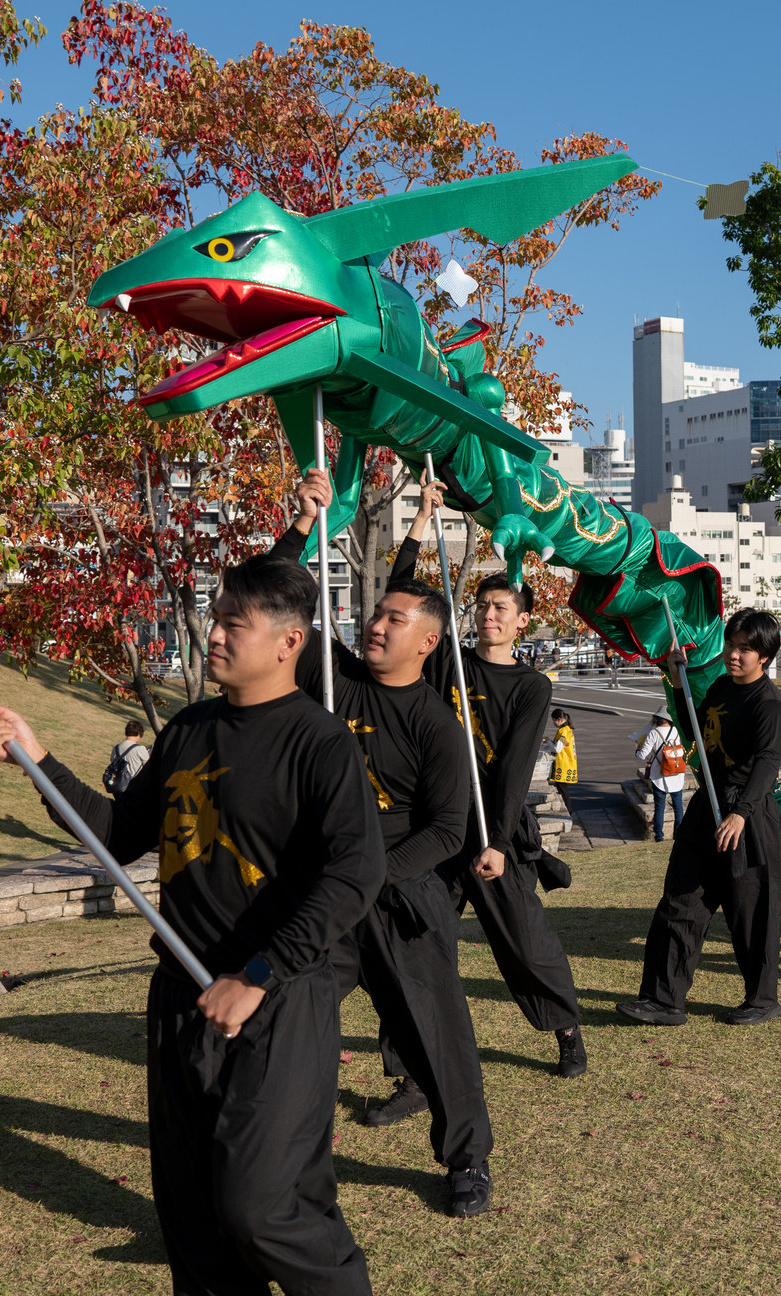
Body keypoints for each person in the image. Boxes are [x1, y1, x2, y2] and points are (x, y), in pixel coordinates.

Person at [0, 553, 387, 1293]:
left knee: (263, 1207)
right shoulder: (188, 730)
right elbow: (117, 833)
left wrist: (257, 975)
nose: (214, 635)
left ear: (289, 641)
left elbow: (355, 874)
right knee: (193, 1219)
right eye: (214, 619)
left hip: (277, 1000)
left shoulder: (320, 743)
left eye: (234, 623)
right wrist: (39, 760)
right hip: (181, 997)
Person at [293, 474, 585, 1087]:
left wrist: (498, 843)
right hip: (431, 827)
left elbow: (513, 770)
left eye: (502, 609)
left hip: (489, 829)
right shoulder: (445, 659)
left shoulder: (531, 687)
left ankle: (565, 1028)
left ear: (523, 621)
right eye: (483, 606)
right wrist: (422, 520)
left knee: (524, 941)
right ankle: (408, 1071)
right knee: (416, 948)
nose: (489, 615)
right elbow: (402, 597)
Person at [271, 512, 496, 1220]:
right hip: (322, 895)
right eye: (376, 614)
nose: (376, 624)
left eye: (395, 619)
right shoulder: (333, 679)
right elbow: (272, 603)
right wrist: (300, 529)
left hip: (400, 897)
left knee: (437, 1034)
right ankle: (270, 1162)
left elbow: (448, 831)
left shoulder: (437, 726)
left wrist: (373, 875)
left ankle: (467, 1158)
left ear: (427, 641)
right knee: (282, 1017)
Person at [618, 609, 781, 1027]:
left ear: (765, 657)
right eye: (731, 645)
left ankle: (762, 999)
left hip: (747, 816)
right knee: (681, 901)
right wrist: (679, 686)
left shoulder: (769, 704)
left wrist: (741, 813)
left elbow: (768, 763)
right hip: (705, 808)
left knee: (750, 911)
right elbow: (696, 731)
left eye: (745, 649)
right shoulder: (720, 687)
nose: (734, 654)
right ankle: (663, 1000)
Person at [636, 713, 688, 842]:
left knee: (659, 806)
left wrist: (637, 750)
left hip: (659, 775)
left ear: (657, 719)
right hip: (676, 773)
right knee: (678, 806)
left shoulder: (654, 733)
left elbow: (643, 755)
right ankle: (678, 833)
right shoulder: (677, 731)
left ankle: (659, 835)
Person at [104, 719, 151, 796]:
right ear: (139, 734)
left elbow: (112, 761)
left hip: (118, 787)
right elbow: (149, 766)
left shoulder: (116, 748)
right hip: (134, 788)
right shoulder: (140, 749)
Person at [549, 711, 577, 787]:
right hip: (567, 762)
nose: (553, 723)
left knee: (562, 788)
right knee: (561, 788)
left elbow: (557, 749)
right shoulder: (568, 729)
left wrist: (548, 741)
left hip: (562, 764)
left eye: (553, 720)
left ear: (559, 719)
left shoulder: (563, 731)